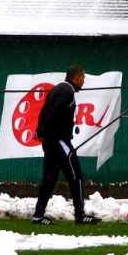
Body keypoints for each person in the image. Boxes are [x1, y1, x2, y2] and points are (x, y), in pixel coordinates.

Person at [32, 65, 102, 225]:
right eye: (83, 78)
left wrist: (41, 131)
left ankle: (38, 215)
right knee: (76, 176)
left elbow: (44, 111)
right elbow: (55, 113)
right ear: (77, 77)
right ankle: (80, 214)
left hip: (51, 141)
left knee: (49, 178)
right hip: (59, 140)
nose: (83, 81)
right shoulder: (67, 92)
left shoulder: (57, 89)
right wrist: (47, 132)